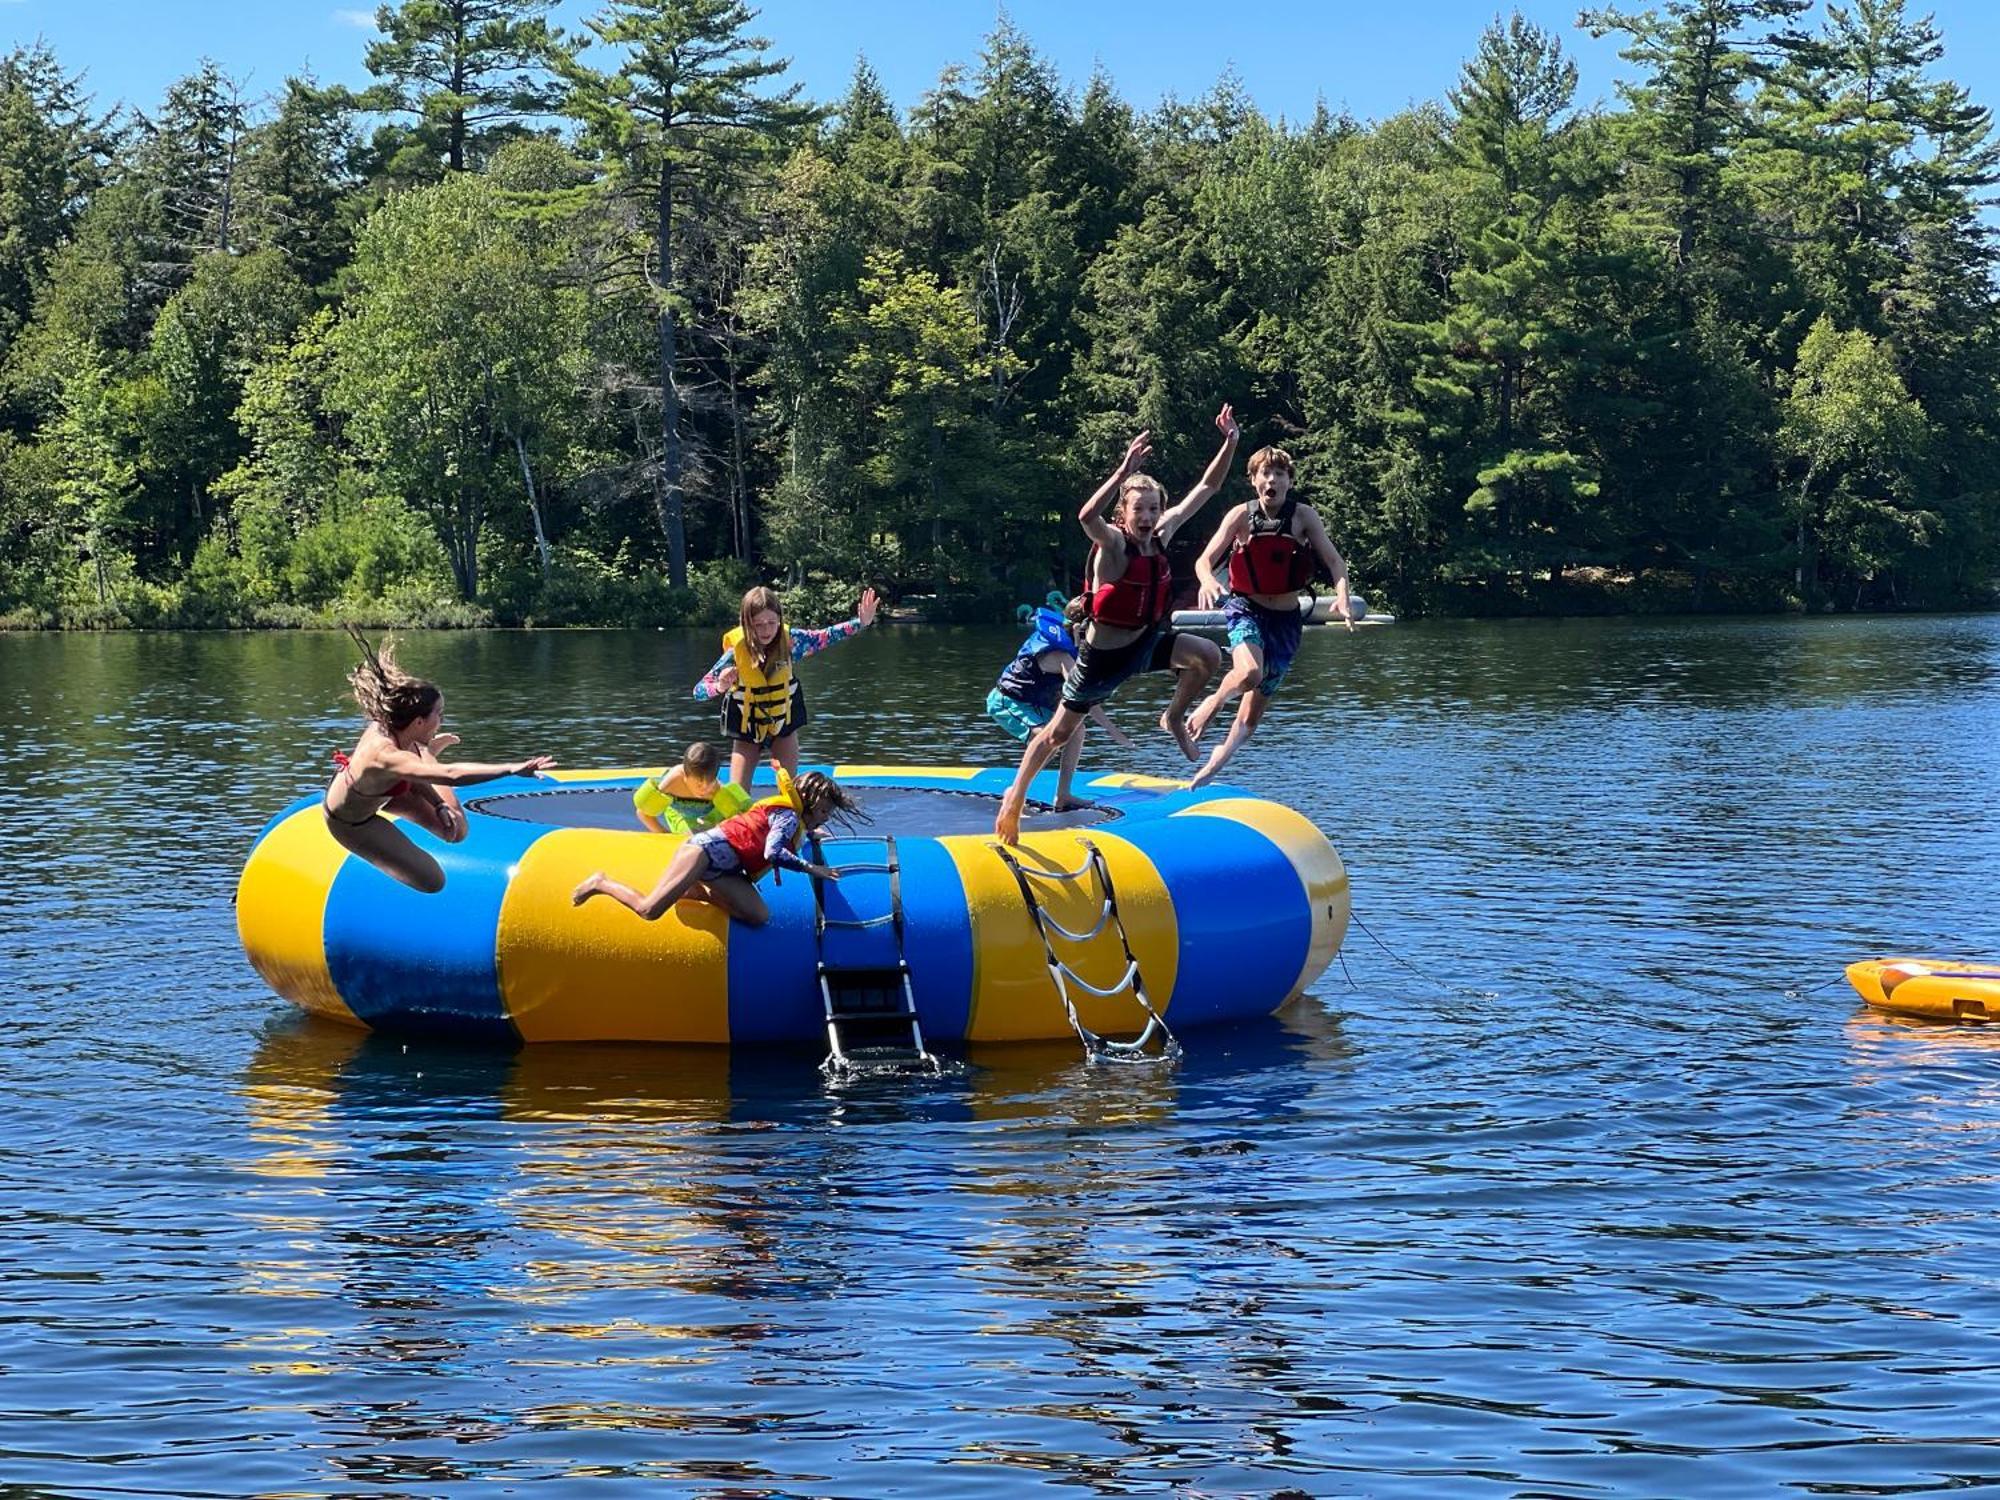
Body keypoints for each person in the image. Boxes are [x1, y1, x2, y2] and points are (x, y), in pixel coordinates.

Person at [993, 404, 1240, 844]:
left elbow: (1208, 485)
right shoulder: (1112, 545)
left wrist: (1230, 442)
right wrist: (1123, 469)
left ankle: (1174, 715)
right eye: (1138, 510)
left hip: (1145, 643)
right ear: (1124, 515)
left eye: (1153, 509)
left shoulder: (1161, 535)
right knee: (1056, 734)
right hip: (1102, 659)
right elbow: (1087, 517)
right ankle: (1015, 799)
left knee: (1207, 655)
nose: (1147, 518)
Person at [323, 629, 556, 893]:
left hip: (388, 786)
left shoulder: (398, 723)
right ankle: (429, 756)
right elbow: (451, 775)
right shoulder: (385, 754)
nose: (442, 720)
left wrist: (438, 805)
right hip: (351, 822)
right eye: (439, 714)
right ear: (419, 721)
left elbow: (413, 773)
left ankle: (427, 756)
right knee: (433, 881)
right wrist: (512, 768)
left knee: (455, 830)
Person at [1184, 444, 1355, 788]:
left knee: (1252, 712)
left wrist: (1342, 597)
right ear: (1253, 481)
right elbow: (1204, 561)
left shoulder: (1304, 516)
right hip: (1246, 608)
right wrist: (1205, 580)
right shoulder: (1239, 516)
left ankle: (1222, 755)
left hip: (1287, 621)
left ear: (1290, 481)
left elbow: (1336, 562)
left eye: (1279, 473)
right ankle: (1212, 703)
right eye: (1265, 473)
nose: (1271, 479)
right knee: (1248, 672)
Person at [572, 768, 867, 928]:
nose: (827, 816)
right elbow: (772, 852)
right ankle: (601, 882)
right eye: (825, 810)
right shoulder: (788, 816)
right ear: (809, 801)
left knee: (758, 917)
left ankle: (701, 892)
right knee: (649, 910)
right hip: (703, 854)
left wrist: (812, 831)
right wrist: (811, 868)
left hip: (726, 869)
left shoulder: (793, 819)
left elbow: (783, 834)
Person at [693, 585, 879, 792]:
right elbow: (699, 691)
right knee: (738, 795)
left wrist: (861, 623)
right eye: (758, 624)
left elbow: (825, 636)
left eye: (772, 622)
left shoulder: (791, 641)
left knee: (790, 792)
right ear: (747, 624)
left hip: (783, 726)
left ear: (780, 619)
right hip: (747, 730)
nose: (766, 630)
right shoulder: (735, 652)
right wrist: (720, 685)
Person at [986, 595, 1133, 810]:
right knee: (1048, 740)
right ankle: (1014, 793)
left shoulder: (1070, 649)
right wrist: (1113, 731)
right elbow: (1084, 697)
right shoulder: (1059, 655)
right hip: (1008, 702)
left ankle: (1063, 795)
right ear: (1076, 629)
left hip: (1034, 703)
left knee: (1076, 729)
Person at [633, 740, 753, 834]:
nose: (704, 789)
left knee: (720, 832)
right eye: (699, 784)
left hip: (710, 813)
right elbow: (643, 813)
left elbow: (739, 819)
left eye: (710, 783)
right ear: (685, 776)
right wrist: (664, 834)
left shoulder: (717, 790)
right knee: (690, 836)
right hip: (679, 813)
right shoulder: (673, 781)